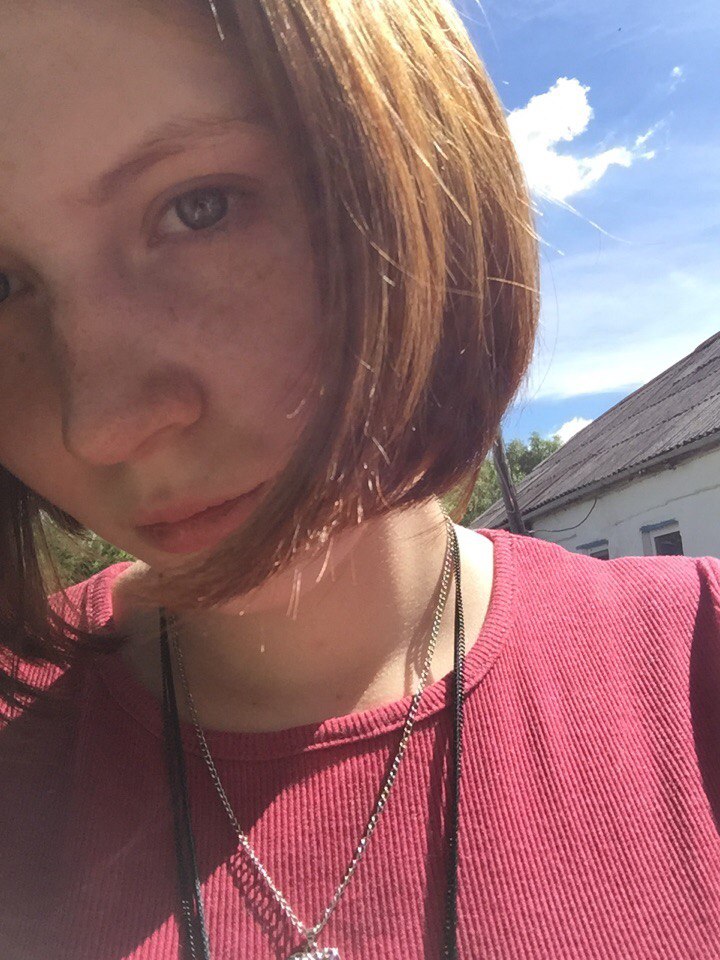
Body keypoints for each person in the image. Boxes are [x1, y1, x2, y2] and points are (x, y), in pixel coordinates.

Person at [0, 0, 717, 958]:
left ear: (420, 181)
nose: (101, 425)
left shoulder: (699, 661)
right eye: (0, 287)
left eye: (201, 207)